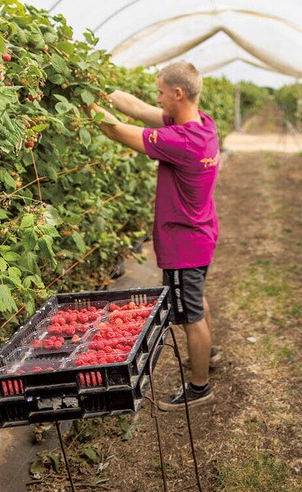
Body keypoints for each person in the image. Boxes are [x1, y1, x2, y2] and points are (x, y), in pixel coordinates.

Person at [87, 62, 220, 411]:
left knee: (189, 316)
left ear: (177, 94)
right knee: (197, 299)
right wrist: (98, 89)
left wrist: (85, 102)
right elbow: (137, 109)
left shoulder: (181, 141)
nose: (157, 99)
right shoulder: (203, 125)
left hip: (183, 243)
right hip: (201, 234)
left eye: (161, 92)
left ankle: (200, 387)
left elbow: (117, 131)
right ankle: (208, 353)